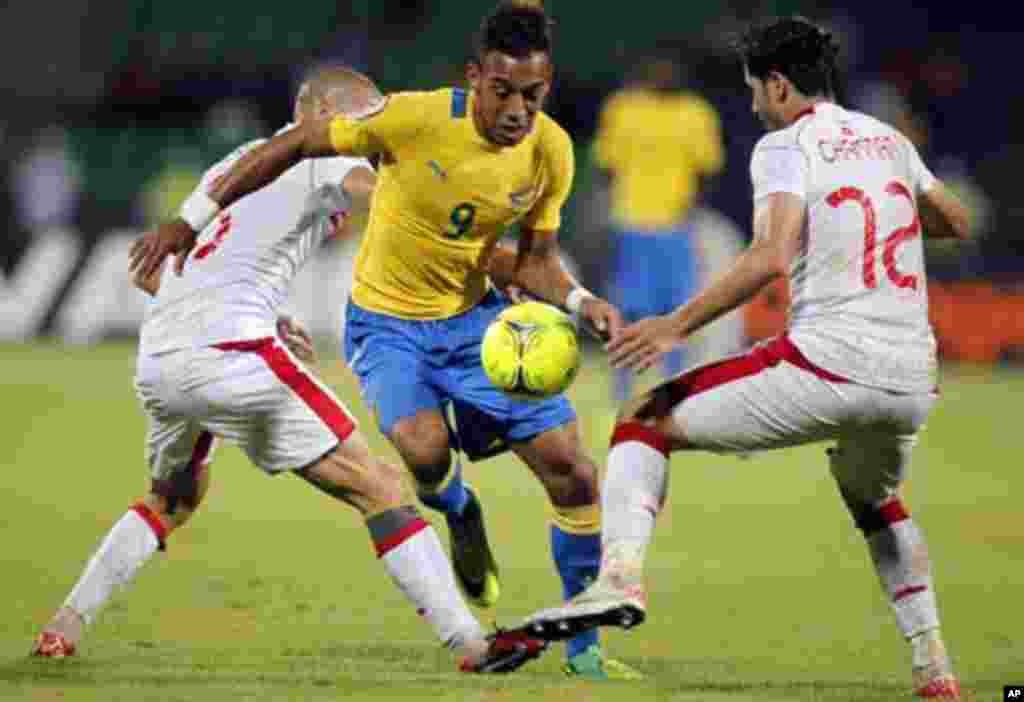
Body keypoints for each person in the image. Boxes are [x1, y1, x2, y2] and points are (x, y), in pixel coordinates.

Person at [128, 2, 641, 681]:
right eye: (504, 91)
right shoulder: (414, 116)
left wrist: (580, 301)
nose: (519, 110)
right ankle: (459, 509)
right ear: (473, 78)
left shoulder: (551, 152)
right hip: (387, 328)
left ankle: (585, 652)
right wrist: (190, 220)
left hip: (476, 324)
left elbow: (536, 260)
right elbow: (293, 144)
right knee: (424, 458)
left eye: (534, 95)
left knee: (573, 469)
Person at [32, 65, 547, 675]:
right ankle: (471, 644)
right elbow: (388, 204)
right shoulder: (324, 153)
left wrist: (267, 319)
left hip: (162, 354)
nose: (376, 134)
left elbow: (162, 272)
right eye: (365, 119)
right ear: (319, 113)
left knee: (172, 498)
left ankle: (63, 627)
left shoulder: (234, 164)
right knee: (380, 485)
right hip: (230, 352)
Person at [516, 16, 970, 700]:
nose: (755, 105)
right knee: (874, 496)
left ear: (780, 86)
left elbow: (770, 256)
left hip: (830, 363)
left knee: (642, 416)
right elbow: (955, 223)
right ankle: (934, 664)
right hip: (911, 380)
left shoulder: (786, 146)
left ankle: (619, 579)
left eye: (756, 90)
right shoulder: (889, 140)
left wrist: (676, 326)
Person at [591, 52, 724, 404]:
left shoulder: (696, 113)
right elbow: (606, 165)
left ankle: (673, 386)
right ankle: (622, 390)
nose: (665, 71)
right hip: (630, 223)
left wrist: (690, 210)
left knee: (676, 310)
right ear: (645, 68)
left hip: (675, 226)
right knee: (627, 309)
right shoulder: (623, 109)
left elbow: (707, 170)